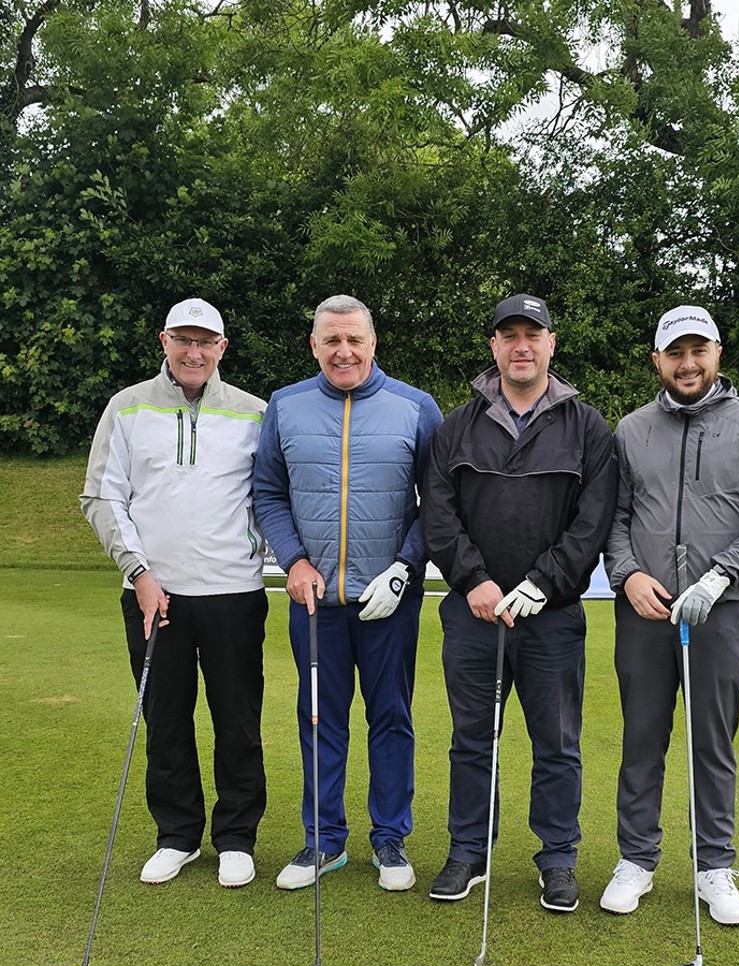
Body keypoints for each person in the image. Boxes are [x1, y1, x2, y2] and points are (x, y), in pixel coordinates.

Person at [421, 294, 618, 913]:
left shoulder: (587, 427)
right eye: (509, 335)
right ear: (495, 347)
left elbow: (592, 522)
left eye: (532, 335)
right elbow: (439, 515)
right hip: (474, 613)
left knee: (556, 743)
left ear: (551, 343)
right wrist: (475, 581)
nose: (521, 346)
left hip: (551, 616)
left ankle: (557, 857)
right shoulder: (457, 426)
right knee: (472, 740)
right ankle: (469, 851)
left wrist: (543, 583)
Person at [600, 304, 739, 924]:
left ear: (717, 354)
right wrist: (628, 576)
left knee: (711, 743)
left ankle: (714, 866)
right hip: (645, 611)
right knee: (641, 739)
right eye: (676, 353)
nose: (688, 364)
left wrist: (721, 574)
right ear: (657, 360)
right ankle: (636, 859)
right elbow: (615, 518)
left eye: (698, 351)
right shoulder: (631, 429)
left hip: (722, 612)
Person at [252, 295, 443, 892]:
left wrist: (405, 567)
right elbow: (268, 492)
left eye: (354, 340)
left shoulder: (416, 407)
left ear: (372, 343)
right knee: (320, 720)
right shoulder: (285, 405)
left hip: (389, 601)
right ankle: (323, 840)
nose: (343, 351)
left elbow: (440, 502)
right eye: (331, 340)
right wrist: (294, 561)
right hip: (315, 602)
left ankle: (389, 839)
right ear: (314, 345)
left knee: (390, 718)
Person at [81, 298, 268, 889]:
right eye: (183, 339)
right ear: (164, 341)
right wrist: (139, 573)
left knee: (237, 720)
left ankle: (236, 836)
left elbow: (272, 498)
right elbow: (102, 496)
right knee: (164, 719)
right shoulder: (127, 406)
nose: (194, 352)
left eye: (205, 341)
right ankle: (178, 835)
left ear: (222, 348)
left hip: (234, 590)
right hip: (152, 594)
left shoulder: (255, 413)